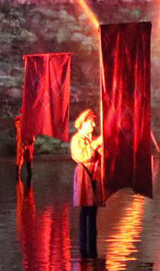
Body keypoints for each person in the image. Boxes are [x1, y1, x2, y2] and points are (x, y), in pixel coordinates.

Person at [70, 109, 104, 260]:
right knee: (86, 211)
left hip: (94, 176)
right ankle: (85, 249)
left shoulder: (91, 139)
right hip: (84, 176)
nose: (94, 125)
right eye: (91, 122)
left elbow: (101, 155)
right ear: (84, 123)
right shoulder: (77, 139)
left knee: (93, 212)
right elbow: (82, 156)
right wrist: (96, 144)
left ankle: (92, 248)